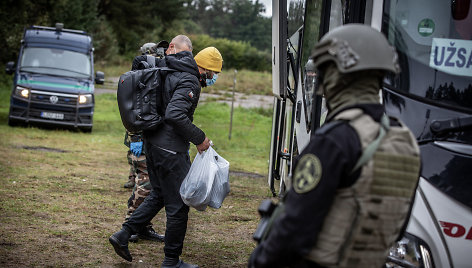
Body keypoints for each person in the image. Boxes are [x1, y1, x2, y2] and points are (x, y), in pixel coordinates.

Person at [248, 24, 421, 268]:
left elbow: (295, 227)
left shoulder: (336, 139)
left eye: (325, 71)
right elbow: (397, 227)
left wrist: (261, 261)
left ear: (339, 74)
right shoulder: (405, 141)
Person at [109, 35, 223, 268]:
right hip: (171, 149)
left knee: (159, 194)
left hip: (152, 143)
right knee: (179, 206)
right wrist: (200, 138)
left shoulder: (169, 68)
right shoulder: (189, 79)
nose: (212, 79)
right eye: (213, 74)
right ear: (205, 68)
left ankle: (123, 234)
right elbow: (175, 115)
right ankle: (171, 262)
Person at [122, 41, 170, 243]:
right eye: (154, 54)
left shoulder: (150, 79)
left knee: (147, 181)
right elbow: (135, 111)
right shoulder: (139, 79)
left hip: (148, 136)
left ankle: (142, 225)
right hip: (140, 136)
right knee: (146, 181)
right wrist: (135, 138)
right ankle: (132, 224)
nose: (158, 57)